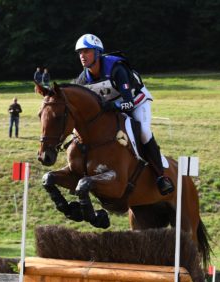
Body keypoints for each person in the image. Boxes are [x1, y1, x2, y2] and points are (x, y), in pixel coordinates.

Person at [73, 34, 174, 195]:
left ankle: (161, 176)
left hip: (136, 101)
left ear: (97, 53)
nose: (82, 56)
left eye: (86, 52)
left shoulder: (117, 69)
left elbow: (129, 103)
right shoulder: (83, 79)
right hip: (111, 107)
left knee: (144, 132)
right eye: (80, 53)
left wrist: (112, 105)